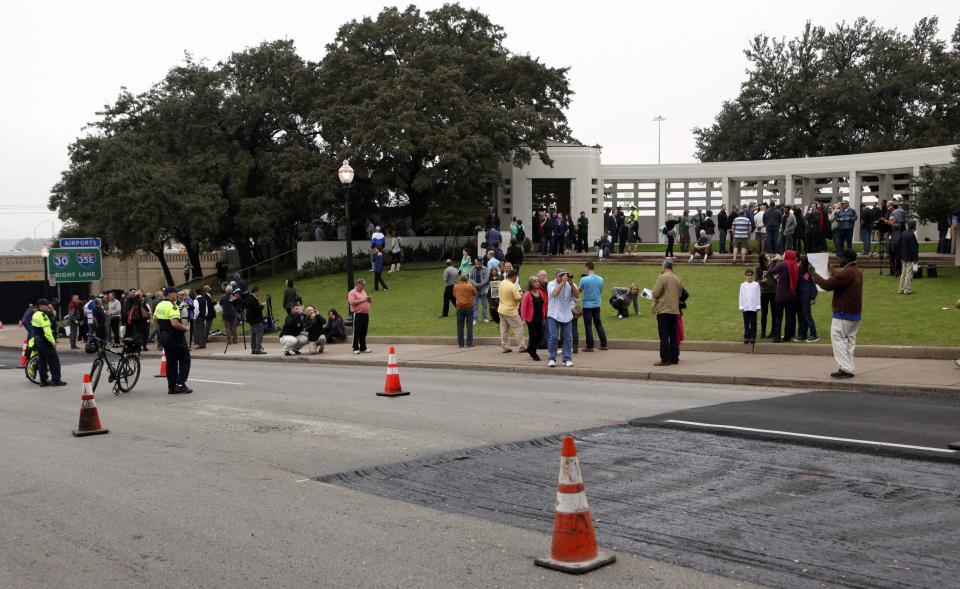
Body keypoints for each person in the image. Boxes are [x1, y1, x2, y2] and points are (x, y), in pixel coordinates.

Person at [811, 250, 863, 378]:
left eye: (840, 258)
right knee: (850, 341)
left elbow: (828, 285)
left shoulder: (847, 273)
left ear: (846, 259)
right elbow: (840, 279)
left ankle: (845, 368)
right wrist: (832, 270)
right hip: (855, 314)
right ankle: (849, 366)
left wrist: (814, 274)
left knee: (838, 338)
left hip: (843, 313)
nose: (839, 260)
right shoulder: (857, 271)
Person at [154, 286, 192, 394]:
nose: (176, 295)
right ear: (170, 294)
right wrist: (185, 328)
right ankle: (180, 384)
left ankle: (172, 386)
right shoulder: (172, 306)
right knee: (185, 359)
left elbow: (155, 320)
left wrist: (161, 331)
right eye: (175, 293)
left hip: (164, 336)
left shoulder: (159, 305)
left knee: (171, 361)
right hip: (175, 336)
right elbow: (175, 323)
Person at [651, 259, 682, 366]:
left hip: (664, 309)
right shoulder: (677, 278)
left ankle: (665, 359)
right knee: (673, 335)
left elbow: (655, 293)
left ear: (664, 267)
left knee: (663, 335)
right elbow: (680, 294)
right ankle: (675, 357)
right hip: (674, 310)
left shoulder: (662, 277)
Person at [546, 268, 579, 367]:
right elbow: (555, 293)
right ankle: (552, 358)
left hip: (567, 315)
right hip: (554, 314)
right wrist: (562, 283)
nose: (563, 277)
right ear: (556, 276)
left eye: (564, 275)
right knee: (554, 337)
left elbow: (577, 295)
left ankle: (567, 359)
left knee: (568, 338)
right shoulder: (551, 284)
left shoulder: (570, 284)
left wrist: (571, 283)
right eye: (561, 275)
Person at [31, 298, 66, 387]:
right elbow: (47, 331)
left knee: (42, 361)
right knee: (54, 361)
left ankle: (43, 380)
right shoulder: (43, 316)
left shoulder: (35, 315)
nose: (48, 306)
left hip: (38, 341)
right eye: (46, 305)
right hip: (45, 342)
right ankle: (56, 380)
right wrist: (53, 342)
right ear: (41, 306)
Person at [768, 250, 799, 343]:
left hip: (781, 295)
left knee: (778, 317)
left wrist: (773, 261)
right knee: (789, 317)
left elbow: (771, 271)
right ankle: (787, 336)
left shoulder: (783, 264)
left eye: (785, 254)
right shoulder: (794, 265)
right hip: (791, 295)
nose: (783, 255)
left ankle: (777, 337)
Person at [578, 261, 608, 351]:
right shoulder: (601, 279)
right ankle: (604, 344)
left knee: (588, 325)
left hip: (587, 305)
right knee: (598, 324)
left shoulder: (584, 279)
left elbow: (578, 291)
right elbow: (600, 291)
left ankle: (590, 346)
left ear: (587, 268)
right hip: (597, 304)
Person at [497, 269, 525, 353]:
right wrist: (522, 294)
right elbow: (518, 298)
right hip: (511, 310)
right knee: (518, 328)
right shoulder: (513, 286)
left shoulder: (502, 282)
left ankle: (505, 347)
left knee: (504, 330)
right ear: (515, 277)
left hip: (501, 309)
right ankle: (522, 346)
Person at [520, 276, 547, 361]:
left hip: (539, 317)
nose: (537, 283)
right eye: (535, 282)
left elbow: (543, 305)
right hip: (530, 319)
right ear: (531, 284)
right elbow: (523, 307)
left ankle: (530, 348)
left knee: (540, 335)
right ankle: (533, 353)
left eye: (538, 282)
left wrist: (544, 316)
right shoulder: (528, 294)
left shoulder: (540, 292)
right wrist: (523, 319)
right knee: (532, 336)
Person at [795, 255, 819, 342]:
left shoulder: (807, 273)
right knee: (801, 317)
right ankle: (802, 334)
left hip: (805, 297)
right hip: (800, 297)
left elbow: (813, 286)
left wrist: (813, 297)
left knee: (807, 316)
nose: (799, 262)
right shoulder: (801, 271)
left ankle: (814, 334)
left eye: (801, 261)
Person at [452, 274, 477, 348]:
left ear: (460, 280)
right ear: (467, 280)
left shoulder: (456, 286)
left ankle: (460, 344)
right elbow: (475, 293)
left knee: (460, 326)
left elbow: (454, 295)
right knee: (469, 326)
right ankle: (469, 343)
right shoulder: (469, 286)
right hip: (469, 307)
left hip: (459, 307)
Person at [348, 278, 373, 354]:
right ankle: (355, 348)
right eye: (362, 286)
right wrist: (363, 300)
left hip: (365, 314)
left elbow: (366, 300)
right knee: (357, 331)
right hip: (358, 314)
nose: (363, 287)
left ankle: (363, 347)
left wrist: (369, 299)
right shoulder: (352, 292)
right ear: (358, 284)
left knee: (364, 331)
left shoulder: (363, 291)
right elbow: (352, 302)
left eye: (364, 286)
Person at [738, 269, 761, 344]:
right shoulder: (743, 285)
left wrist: (758, 306)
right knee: (746, 323)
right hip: (746, 307)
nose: (749, 276)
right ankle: (746, 336)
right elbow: (741, 296)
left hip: (753, 307)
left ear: (753, 276)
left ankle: (753, 336)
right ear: (745, 276)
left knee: (753, 323)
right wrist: (741, 306)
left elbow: (758, 295)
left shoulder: (756, 284)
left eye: (751, 275)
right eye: (748, 275)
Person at [898, 219, 919, 295]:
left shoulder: (903, 233)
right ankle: (907, 289)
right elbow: (914, 248)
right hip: (910, 257)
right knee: (908, 273)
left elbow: (899, 244)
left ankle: (901, 289)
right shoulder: (912, 235)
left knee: (903, 273)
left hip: (903, 256)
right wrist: (916, 259)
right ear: (914, 226)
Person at [469, 257, 490, 324]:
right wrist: (475, 284)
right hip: (475, 289)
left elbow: (487, 278)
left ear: (482, 262)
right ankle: (475, 319)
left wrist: (480, 284)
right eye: (478, 263)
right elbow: (470, 278)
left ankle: (484, 318)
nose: (479, 264)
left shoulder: (486, 269)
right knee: (475, 304)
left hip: (483, 289)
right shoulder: (472, 268)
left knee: (484, 304)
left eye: (480, 263)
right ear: (475, 262)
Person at [194, 285, 216, 349]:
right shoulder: (203, 299)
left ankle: (200, 344)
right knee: (203, 330)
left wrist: (195, 316)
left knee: (199, 331)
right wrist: (205, 315)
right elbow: (206, 309)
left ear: (195, 293)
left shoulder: (196, 300)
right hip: (203, 316)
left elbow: (196, 310)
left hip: (198, 317)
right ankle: (203, 344)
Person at [246, 286, 266, 355]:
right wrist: (262, 305)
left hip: (251, 319)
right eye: (259, 292)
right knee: (259, 334)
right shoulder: (253, 299)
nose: (259, 293)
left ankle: (253, 349)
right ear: (255, 291)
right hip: (256, 319)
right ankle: (258, 349)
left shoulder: (248, 298)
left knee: (253, 334)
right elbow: (257, 309)